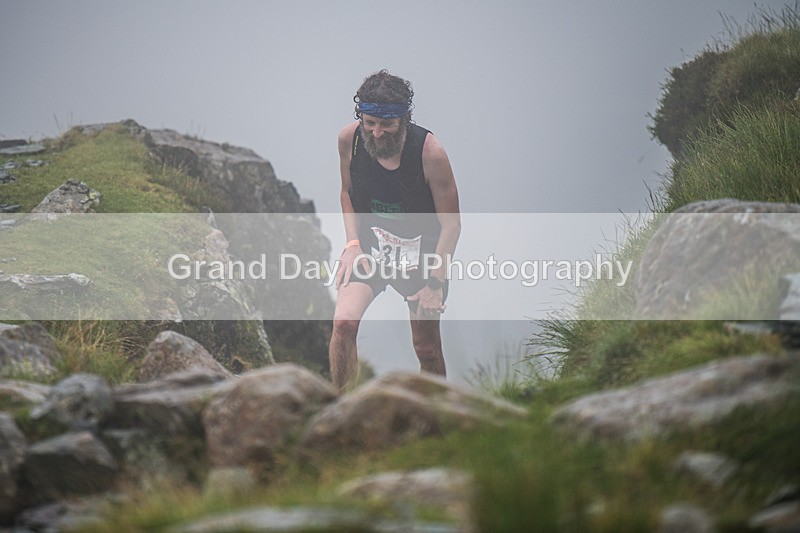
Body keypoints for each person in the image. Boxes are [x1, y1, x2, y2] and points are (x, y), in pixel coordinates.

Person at [329, 69, 461, 393]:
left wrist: (435, 284)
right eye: (370, 122)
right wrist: (353, 244)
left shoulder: (430, 153)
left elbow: (451, 224)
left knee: (426, 349)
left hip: (423, 259)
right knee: (343, 324)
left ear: (404, 120)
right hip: (371, 250)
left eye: (387, 124)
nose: (376, 133)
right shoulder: (350, 140)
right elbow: (347, 193)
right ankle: (340, 411)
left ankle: (437, 419)